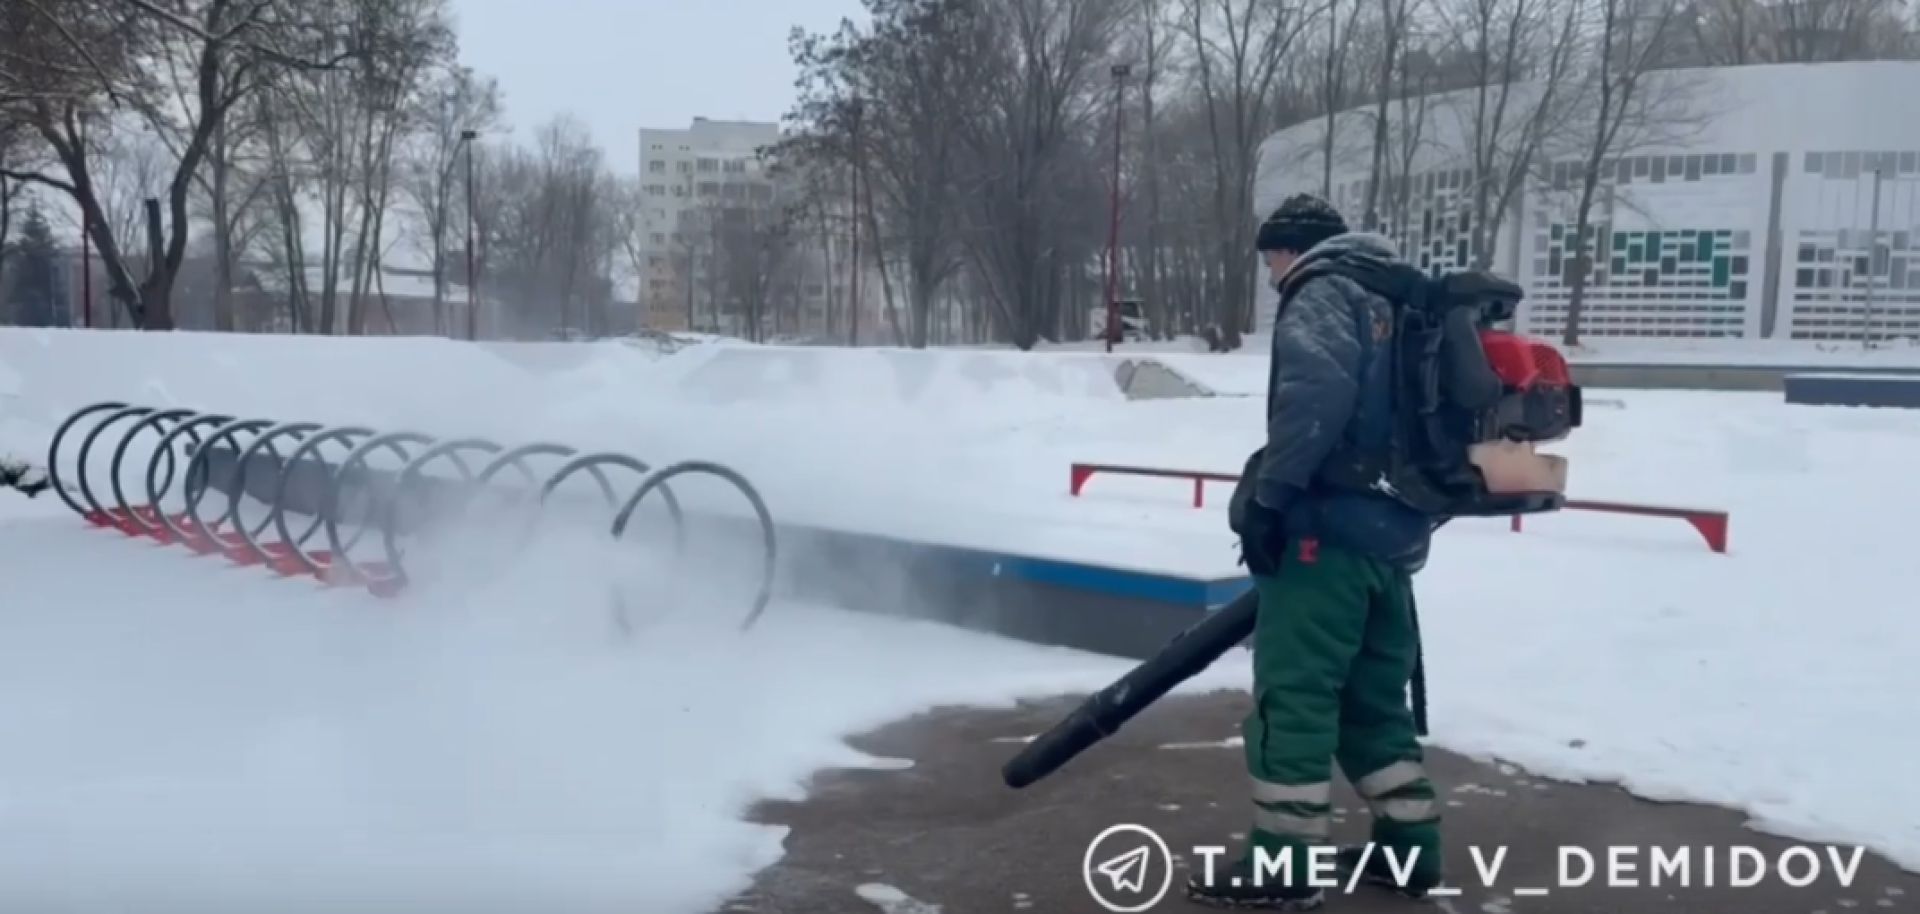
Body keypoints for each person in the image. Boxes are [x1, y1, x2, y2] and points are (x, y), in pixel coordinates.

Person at [1186, 194, 1445, 909]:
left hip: (1324, 538)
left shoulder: (1324, 291)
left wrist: (1271, 500)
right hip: (1393, 539)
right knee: (1372, 700)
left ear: (1288, 249)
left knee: (1295, 697)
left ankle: (1284, 863)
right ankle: (1410, 846)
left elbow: (1315, 396)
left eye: (1270, 258)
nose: (1272, 274)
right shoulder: (1398, 297)